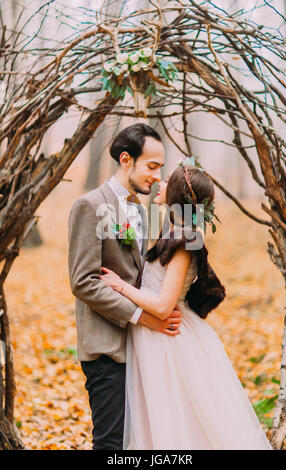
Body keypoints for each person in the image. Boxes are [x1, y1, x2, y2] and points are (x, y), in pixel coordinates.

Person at [100, 161, 273, 450]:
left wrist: (121, 287)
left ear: (178, 192)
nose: (161, 184)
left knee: (178, 423)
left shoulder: (185, 241)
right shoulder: (175, 232)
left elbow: (164, 305)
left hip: (170, 343)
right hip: (153, 339)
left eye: (167, 181)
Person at [68, 123, 182, 450]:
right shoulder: (88, 205)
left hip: (140, 349)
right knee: (110, 444)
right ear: (126, 160)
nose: (158, 176)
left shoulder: (141, 211)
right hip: (106, 349)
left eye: (160, 167)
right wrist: (142, 316)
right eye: (152, 166)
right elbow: (84, 281)